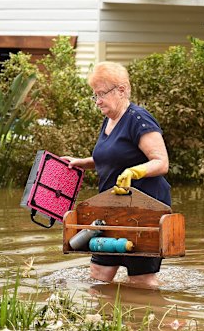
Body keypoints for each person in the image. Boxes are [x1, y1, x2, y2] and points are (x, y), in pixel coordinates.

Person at [63, 61, 171, 288]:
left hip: (144, 210)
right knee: (99, 273)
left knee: (141, 280)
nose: (98, 101)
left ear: (121, 90)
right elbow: (114, 157)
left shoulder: (138, 118)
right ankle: (102, 321)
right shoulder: (109, 121)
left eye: (101, 94)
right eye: (95, 95)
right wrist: (83, 163)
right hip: (110, 209)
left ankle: (150, 320)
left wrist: (135, 171)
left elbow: (161, 162)